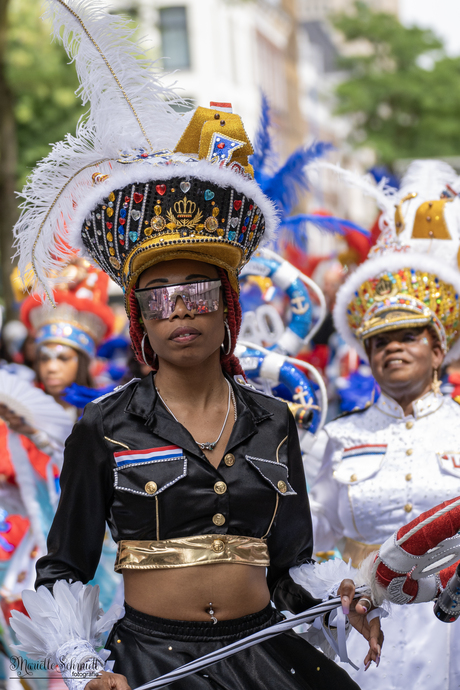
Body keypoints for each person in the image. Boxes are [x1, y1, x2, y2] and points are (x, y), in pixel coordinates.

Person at [9, 3, 383, 687]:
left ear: (228, 307)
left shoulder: (274, 420)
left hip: (267, 655)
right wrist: (86, 666)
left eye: (198, 293)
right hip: (152, 664)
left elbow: (292, 562)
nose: (180, 311)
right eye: (158, 298)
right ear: (140, 323)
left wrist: (341, 602)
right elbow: (62, 564)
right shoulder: (104, 425)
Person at [307, 159, 460, 689]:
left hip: (453, 626)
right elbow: (308, 531)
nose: (391, 347)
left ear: (438, 348)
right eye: (377, 341)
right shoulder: (338, 437)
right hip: (366, 626)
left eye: (407, 335)